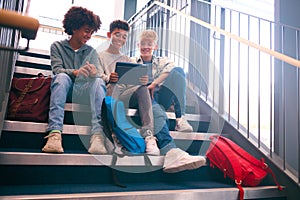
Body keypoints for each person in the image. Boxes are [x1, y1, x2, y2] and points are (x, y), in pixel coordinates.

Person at [42, 6, 108, 154]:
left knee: (98, 82)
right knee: (61, 77)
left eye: (91, 32)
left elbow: (97, 74)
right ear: (74, 27)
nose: (89, 35)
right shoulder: (57, 47)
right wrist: (76, 72)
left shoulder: (91, 51)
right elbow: (57, 70)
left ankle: (98, 136)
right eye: (86, 30)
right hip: (65, 89)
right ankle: (54, 133)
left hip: (84, 91)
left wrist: (93, 73)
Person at [98, 20, 159, 155]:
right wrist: (108, 78)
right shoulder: (100, 56)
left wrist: (142, 81)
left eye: (124, 37)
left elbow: (133, 80)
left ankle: (149, 136)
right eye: (117, 35)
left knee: (143, 88)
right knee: (113, 84)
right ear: (109, 35)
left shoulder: (128, 59)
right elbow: (96, 75)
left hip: (125, 94)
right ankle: (115, 134)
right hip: (109, 93)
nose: (121, 39)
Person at [131, 30, 193, 132]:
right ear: (138, 45)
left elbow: (171, 68)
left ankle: (180, 119)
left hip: (161, 98)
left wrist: (154, 84)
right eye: (142, 44)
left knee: (178, 71)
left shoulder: (161, 61)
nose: (146, 47)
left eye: (149, 44)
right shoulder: (132, 61)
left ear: (155, 47)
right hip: (142, 99)